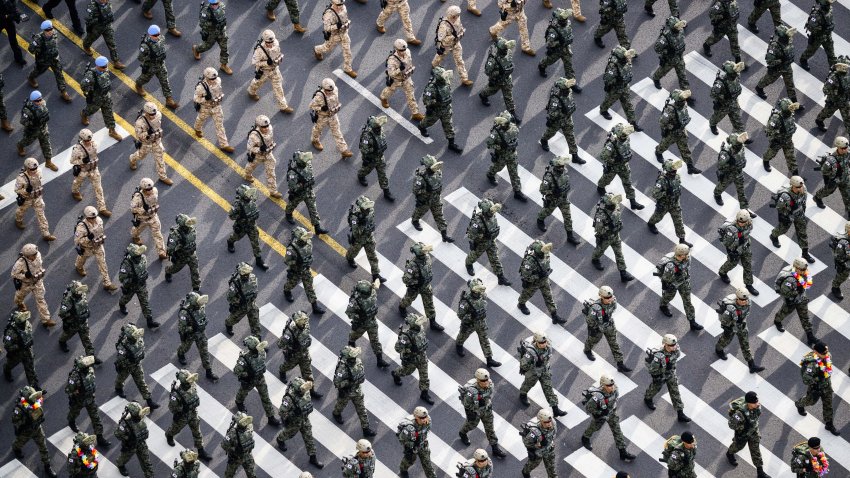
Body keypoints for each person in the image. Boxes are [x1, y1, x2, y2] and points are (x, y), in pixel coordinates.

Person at [581, 374, 635, 461]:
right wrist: (600, 413)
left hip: (612, 413)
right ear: (603, 385)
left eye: (612, 384)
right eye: (609, 385)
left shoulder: (615, 389)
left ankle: (623, 452)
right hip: (601, 416)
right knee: (595, 427)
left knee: (617, 431)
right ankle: (585, 437)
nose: (612, 387)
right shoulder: (597, 396)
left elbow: (615, 398)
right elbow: (589, 408)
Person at [275, 378, 325, 468]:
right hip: (294, 421)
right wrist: (291, 415)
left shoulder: (305, 392)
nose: (304, 392)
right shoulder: (289, 398)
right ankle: (280, 439)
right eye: (302, 390)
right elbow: (281, 412)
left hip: (305, 419)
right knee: (289, 433)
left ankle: (313, 457)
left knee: (309, 437)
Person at [458, 368, 507, 458]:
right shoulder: (471, 390)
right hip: (475, 412)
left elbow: (489, 395)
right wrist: (473, 409)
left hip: (487, 410)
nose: (485, 382)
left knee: (490, 428)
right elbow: (466, 404)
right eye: (482, 381)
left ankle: (495, 448)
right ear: (477, 380)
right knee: (471, 425)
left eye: (486, 380)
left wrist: (484, 402)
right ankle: (462, 433)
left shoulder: (490, 384)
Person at [165, 369, 213, 460]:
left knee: (197, 431)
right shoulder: (176, 395)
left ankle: (201, 450)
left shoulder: (192, 385)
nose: (191, 381)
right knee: (176, 429)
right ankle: (169, 435)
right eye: (188, 380)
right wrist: (181, 409)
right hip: (182, 416)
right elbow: (171, 408)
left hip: (193, 412)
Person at [518, 332, 569, 416]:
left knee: (548, 389)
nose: (544, 344)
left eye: (544, 342)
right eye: (541, 343)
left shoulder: (548, 346)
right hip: (533, 372)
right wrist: (534, 363)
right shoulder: (531, 352)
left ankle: (555, 409)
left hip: (544, 370)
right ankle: (522, 395)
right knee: (528, 385)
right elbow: (523, 364)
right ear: (536, 342)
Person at [715, 287, 765, 372]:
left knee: (745, 344)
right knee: (726, 340)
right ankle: (718, 349)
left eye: (745, 299)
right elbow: (723, 318)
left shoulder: (748, 302)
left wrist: (741, 321)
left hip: (741, 325)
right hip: (730, 326)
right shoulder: (729, 306)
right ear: (737, 298)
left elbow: (746, 313)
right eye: (742, 300)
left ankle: (751, 365)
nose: (744, 301)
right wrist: (726, 327)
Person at [11, 386, 58, 477]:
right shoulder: (19, 409)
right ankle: (16, 448)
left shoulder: (35, 402)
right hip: (26, 431)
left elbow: (39, 402)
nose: (35, 399)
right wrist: (25, 422)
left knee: (43, 446)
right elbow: (14, 421)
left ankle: (47, 466)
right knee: (19, 443)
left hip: (37, 429)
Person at [643, 334, 691, 422]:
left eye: (675, 344)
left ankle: (680, 413)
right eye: (671, 345)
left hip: (671, 373)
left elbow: (677, 355)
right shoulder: (657, 354)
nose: (674, 347)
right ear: (665, 344)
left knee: (675, 391)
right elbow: (651, 368)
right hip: (660, 375)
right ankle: (647, 398)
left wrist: (668, 364)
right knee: (655, 388)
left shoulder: (676, 349)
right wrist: (657, 374)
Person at [583, 286, 631, 372]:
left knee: (614, 343)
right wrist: (594, 329)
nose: (609, 299)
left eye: (611, 297)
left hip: (609, 325)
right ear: (601, 297)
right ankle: (587, 350)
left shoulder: (613, 301)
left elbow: (612, 310)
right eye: (607, 298)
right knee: (593, 340)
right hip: (598, 327)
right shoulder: (595, 308)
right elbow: (589, 320)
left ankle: (620, 364)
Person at [795, 342, 840, 435]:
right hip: (816, 387)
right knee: (811, 401)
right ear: (816, 352)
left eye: (827, 351)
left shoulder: (828, 356)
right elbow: (806, 379)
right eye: (823, 353)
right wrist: (817, 379)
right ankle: (799, 404)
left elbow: (827, 368)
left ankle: (829, 424)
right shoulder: (811, 364)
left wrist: (825, 377)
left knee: (828, 405)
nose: (826, 354)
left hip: (826, 385)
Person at [66, 355, 111, 447]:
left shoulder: (90, 370)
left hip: (90, 398)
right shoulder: (75, 376)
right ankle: (71, 421)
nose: (88, 367)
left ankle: (100, 438)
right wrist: (75, 391)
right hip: (79, 400)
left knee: (96, 417)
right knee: (74, 412)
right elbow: (67, 389)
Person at [656, 244, 704, 331]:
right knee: (668, 296)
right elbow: (665, 278)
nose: (686, 256)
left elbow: (687, 269)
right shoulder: (670, 265)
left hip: (684, 282)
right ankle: (663, 306)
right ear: (680, 255)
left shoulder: (687, 258)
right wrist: (667, 285)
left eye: (687, 254)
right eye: (685, 254)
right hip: (673, 284)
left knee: (688, 302)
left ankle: (692, 322)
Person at [235, 336, 281, 425]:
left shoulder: (261, 353)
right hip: (249, 380)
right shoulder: (244, 359)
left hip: (260, 378)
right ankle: (239, 402)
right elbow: (236, 371)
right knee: (243, 393)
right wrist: (246, 375)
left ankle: (271, 417)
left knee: (266, 397)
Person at [455, 278, 501, 367]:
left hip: (480, 322)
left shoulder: (482, 295)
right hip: (469, 324)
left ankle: (489, 359)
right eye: (479, 289)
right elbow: (460, 315)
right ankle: (458, 345)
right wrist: (470, 316)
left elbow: (483, 301)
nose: (481, 291)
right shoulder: (465, 302)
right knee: (462, 336)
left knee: (484, 339)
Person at [333, 346, 377, 437]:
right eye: (352, 357)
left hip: (357, 390)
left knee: (362, 409)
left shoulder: (358, 362)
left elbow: (361, 374)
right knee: (340, 406)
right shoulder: (342, 368)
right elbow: (337, 383)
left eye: (355, 357)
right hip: (346, 392)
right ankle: (336, 414)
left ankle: (366, 429)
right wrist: (348, 382)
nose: (354, 358)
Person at [466, 198, 512, 283]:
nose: (492, 213)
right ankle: (468, 264)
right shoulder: (478, 221)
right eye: (490, 212)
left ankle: (500, 277)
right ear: (485, 211)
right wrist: (474, 242)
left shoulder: (491, 215)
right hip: (481, 243)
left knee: (495, 259)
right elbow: (471, 234)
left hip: (491, 241)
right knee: (474, 255)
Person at [597, 125, 643, 210]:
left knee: (628, 183)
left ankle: (633, 202)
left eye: (625, 135)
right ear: (618, 135)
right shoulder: (611, 145)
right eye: (622, 136)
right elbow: (603, 156)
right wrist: (614, 160)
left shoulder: (627, 139)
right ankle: (600, 187)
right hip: (613, 167)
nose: (625, 137)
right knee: (606, 180)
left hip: (624, 166)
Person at [399, 242, 443, 331]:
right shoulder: (412, 265)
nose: (425, 253)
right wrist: (416, 282)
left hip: (426, 286)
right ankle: (401, 308)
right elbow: (405, 280)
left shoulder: (427, 257)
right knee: (408, 300)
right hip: (415, 287)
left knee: (429, 303)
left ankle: (432, 322)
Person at [277, 311, 322, 398]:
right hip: (294, 355)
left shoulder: (306, 325)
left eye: (305, 319)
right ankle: (282, 371)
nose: (305, 322)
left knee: (308, 374)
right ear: (297, 321)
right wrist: (287, 344)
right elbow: (280, 344)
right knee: (287, 366)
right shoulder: (289, 332)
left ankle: (311, 391)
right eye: (302, 320)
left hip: (304, 354)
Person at [419, 67, 464, 153]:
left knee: (449, 125)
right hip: (436, 110)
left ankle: (451, 144)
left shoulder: (446, 82)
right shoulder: (431, 88)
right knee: (428, 122)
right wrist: (431, 105)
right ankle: (422, 127)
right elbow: (426, 99)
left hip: (446, 108)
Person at [648, 159, 693, 247]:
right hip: (664, 205)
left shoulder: (677, 177)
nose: (674, 172)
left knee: (679, 222)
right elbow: (654, 194)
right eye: (672, 170)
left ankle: (682, 239)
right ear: (668, 171)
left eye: (675, 170)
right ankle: (651, 224)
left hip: (675, 204)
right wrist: (665, 193)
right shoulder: (662, 181)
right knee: (657, 217)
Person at [725, 391, 770, 478]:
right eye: (755, 402)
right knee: (738, 447)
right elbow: (731, 424)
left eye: (757, 401)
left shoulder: (757, 407)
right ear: (749, 403)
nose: (758, 403)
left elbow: (756, 417)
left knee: (756, 451)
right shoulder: (740, 414)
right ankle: (729, 453)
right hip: (743, 434)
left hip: (754, 432)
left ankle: (760, 472)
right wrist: (742, 427)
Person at [537, 155, 581, 242]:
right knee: (546, 212)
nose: (562, 168)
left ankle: (570, 236)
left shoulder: (564, 171)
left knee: (567, 217)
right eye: (560, 167)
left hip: (563, 199)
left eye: (562, 166)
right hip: (553, 200)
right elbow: (542, 190)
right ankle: (540, 220)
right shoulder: (548, 177)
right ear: (556, 167)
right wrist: (552, 192)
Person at [114, 324, 159, 408]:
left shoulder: (139, 339)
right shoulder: (123, 346)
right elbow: (120, 359)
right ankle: (118, 388)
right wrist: (121, 365)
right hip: (126, 367)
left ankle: (149, 400)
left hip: (136, 365)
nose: (137, 336)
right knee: (120, 378)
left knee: (141, 382)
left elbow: (142, 350)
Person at [392, 313, 434, 405]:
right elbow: (397, 348)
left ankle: (424, 393)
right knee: (406, 372)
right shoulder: (405, 336)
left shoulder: (421, 329)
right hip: (411, 360)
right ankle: (396, 373)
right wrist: (408, 349)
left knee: (424, 377)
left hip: (422, 357)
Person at [347, 279, 390, 368]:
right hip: (360, 324)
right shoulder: (355, 301)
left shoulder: (372, 292)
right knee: (352, 338)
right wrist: (358, 318)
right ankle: (352, 357)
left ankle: (379, 360)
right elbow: (349, 313)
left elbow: (373, 288)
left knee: (375, 341)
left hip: (371, 321)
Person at [176, 292, 219, 381]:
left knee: (204, 351)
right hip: (190, 334)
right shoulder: (184, 312)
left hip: (200, 332)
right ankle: (180, 353)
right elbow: (182, 328)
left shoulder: (201, 306)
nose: (200, 305)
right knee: (185, 347)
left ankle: (208, 371)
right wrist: (191, 328)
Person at [774, 257, 817, 345]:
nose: (805, 271)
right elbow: (785, 292)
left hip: (800, 296)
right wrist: (795, 294)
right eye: (802, 269)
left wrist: (802, 290)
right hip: (791, 298)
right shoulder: (789, 279)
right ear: (796, 268)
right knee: (785, 312)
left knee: (804, 316)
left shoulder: (803, 272)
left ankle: (810, 336)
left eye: (805, 269)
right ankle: (777, 321)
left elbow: (806, 283)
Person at [248, 30, 293, 113]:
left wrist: (278, 59)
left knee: (278, 88)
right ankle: (251, 92)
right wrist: (266, 63)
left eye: (272, 41)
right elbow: (254, 62)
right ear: (265, 41)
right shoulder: (259, 50)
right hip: (263, 71)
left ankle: (283, 106)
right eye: (269, 42)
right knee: (257, 83)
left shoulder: (276, 43)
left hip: (274, 69)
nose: (271, 43)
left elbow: (277, 52)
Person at [769, 177, 813, 262]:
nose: (800, 188)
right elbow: (780, 207)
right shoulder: (785, 196)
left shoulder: (804, 189)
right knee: (783, 230)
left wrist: (802, 212)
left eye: (801, 186)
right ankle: (773, 236)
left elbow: (804, 202)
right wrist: (784, 217)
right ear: (792, 186)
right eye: (798, 187)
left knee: (802, 233)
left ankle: (805, 253)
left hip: (799, 214)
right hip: (788, 215)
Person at [283, 226, 326, 314]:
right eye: (304, 237)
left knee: (309, 287)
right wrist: (296, 262)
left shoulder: (309, 242)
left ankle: (315, 306)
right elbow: (287, 261)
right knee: (291, 284)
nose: (306, 239)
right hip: (296, 271)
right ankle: (286, 291)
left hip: (306, 269)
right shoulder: (291, 249)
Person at [539, 79, 583, 164]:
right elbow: (552, 113)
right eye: (566, 89)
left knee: (570, 136)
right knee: (550, 133)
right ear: (562, 89)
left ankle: (575, 155)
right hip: (557, 121)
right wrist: (561, 113)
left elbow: (570, 101)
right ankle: (544, 140)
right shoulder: (555, 99)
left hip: (567, 119)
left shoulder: (569, 92)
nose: (568, 90)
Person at [755, 25, 800, 108]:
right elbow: (769, 61)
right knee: (768, 80)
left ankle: (794, 102)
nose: (788, 37)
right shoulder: (774, 46)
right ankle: (759, 88)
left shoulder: (788, 40)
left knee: (790, 84)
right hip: (777, 68)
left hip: (787, 67)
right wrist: (780, 61)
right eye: (786, 36)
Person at [411, 155, 454, 243]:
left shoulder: (438, 172)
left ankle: (444, 235)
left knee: (439, 216)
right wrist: (425, 190)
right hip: (425, 201)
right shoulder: (420, 178)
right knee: (419, 212)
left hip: (436, 199)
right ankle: (415, 221)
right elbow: (415, 190)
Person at [135, 25, 178, 110]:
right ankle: (138, 85)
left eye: (158, 34)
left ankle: (169, 99)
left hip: (161, 64)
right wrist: (148, 58)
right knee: (145, 79)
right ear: (150, 35)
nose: (157, 36)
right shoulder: (145, 46)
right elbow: (140, 58)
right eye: (155, 35)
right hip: (151, 66)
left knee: (164, 80)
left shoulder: (161, 38)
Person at [118, 242, 161, 328]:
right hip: (131, 286)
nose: (139, 257)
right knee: (126, 298)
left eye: (140, 255)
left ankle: (149, 321)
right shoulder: (126, 264)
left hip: (141, 285)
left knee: (145, 302)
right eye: (137, 256)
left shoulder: (143, 258)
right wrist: (130, 280)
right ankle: (121, 304)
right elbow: (121, 278)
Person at [655, 90, 699, 174]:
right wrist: (668, 128)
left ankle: (690, 166)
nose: (684, 101)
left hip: (681, 131)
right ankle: (658, 152)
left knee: (685, 149)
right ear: (678, 100)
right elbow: (662, 122)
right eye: (682, 100)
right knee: (664, 145)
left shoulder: (684, 104)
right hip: (672, 133)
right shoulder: (670, 109)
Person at [27, 20, 72, 102]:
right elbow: (31, 49)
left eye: (51, 29)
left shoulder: (55, 33)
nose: (50, 31)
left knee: (59, 74)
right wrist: (37, 48)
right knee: (38, 71)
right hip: (44, 61)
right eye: (47, 30)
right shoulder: (38, 39)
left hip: (54, 59)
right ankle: (31, 78)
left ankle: (63, 91)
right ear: (43, 30)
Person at [74, 206, 117, 290]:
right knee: (82, 259)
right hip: (87, 248)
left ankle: (107, 283)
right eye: (91, 218)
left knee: (102, 263)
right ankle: (78, 267)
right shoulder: (81, 227)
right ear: (87, 217)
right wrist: (88, 238)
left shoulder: (99, 220)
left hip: (98, 246)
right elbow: (77, 241)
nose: (94, 219)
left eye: (94, 217)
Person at [71, 129, 113, 216]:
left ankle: (102, 208)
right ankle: (75, 191)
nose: (88, 142)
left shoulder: (94, 144)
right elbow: (72, 161)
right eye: (86, 140)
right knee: (77, 182)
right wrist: (82, 161)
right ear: (82, 139)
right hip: (83, 170)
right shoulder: (77, 149)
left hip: (94, 169)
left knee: (98, 188)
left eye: (89, 140)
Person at [80, 56, 123, 141]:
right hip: (96, 99)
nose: (106, 68)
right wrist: (89, 92)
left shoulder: (105, 70)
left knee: (109, 113)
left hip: (106, 96)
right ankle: (84, 114)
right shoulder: (91, 75)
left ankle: (112, 130)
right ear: (98, 66)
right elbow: (83, 85)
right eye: (103, 67)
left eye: (106, 66)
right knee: (91, 110)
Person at [380, 39, 424, 121]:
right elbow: (391, 73)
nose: (403, 51)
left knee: (411, 94)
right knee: (390, 90)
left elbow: (409, 62)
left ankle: (415, 113)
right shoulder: (392, 60)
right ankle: (383, 98)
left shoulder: (407, 51)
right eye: (401, 50)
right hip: (396, 79)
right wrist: (399, 69)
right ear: (396, 49)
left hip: (406, 78)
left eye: (404, 49)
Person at [11, 243, 54, 327]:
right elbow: (14, 274)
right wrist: (24, 276)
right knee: (19, 297)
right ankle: (19, 303)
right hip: (26, 284)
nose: (35, 256)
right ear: (27, 256)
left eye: (35, 254)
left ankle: (46, 319)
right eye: (33, 255)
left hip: (37, 281)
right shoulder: (20, 263)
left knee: (41, 299)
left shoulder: (38, 255)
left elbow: (39, 264)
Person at [717, 210, 759, 295]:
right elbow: (725, 242)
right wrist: (730, 252)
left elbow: (747, 234)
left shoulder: (749, 224)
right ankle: (722, 272)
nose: (741, 223)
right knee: (732, 263)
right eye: (739, 221)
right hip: (734, 250)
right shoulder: (731, 229)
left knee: (748, 265)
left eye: (743, 222)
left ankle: (748, 284)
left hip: (745, 247)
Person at [518, 240, 561, 322]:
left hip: (544, 280)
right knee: (526, 294)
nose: (545, 255)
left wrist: (546, 272)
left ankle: (554, 315)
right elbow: (526, 276)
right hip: (533, 282)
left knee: (549, 296)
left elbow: (546, 262)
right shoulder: (529, 261)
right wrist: (538, 276)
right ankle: (521, 304)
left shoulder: (545, 253)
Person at [227, 185, 268, 270]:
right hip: (242, 226)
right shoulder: (238, 205)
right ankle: (230, 242)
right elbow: (231, 216)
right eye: (247, 195)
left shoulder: (251, 200)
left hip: (252, 225)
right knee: (236, 237)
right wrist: (239, 215)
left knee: (255, 243)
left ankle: (258, 260)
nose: (250, 196)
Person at [193, 67, 234, 153]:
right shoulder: (201, 87)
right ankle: (197, 129)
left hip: (216, 106)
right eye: (211, 79)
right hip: (205, 108)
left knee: (220, 125)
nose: (214, 80)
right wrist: (205, 99)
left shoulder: (218, 80)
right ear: (206, 78)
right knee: (201, 119)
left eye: (214, 78)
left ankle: (224, 145)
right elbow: (196, 99)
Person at [309, 78, 353, 158]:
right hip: (322, 117)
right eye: (328, 91)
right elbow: (311, 106)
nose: (330, 92)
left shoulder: (335, 89)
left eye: (331, 90)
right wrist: (321, 108)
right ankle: (315, 140)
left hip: (332, 115)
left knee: (337, 131)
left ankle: (344, 150)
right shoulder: (319, 96)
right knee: (318, 129)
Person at [479, 39, 520, 123]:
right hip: (497, 80)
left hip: (506, 79)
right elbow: (487, 72)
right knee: (490, 91)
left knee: (508, 96)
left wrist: (509, 68)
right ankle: (483, 95)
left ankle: (512, 112)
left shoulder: (508, 52)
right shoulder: (493, 59)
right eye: (503, 50)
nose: (505, 51)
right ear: (499, 49)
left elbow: (510, 62)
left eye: (506, 49)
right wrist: (498, 72)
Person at [486, 111, 524, 201]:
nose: (507, 125)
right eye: (505, 123)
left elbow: (515, 139)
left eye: (508, 122)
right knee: (498, 168)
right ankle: (490, 174)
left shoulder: (514, 128)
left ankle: (517, 192)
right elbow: (488, 144)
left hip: (512, 154)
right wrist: (498, 146)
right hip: (502, 156)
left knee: (514, 174)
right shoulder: (496, 133)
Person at [285, 151, 327, 233]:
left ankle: (317, 227)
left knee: (313, 207)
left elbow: (310, 172)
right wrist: (304, 184)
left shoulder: (307, 163)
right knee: (292, 205)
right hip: (298, 194)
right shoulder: (292, 173)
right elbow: (292, 187)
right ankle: (288, 214)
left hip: (308, 191)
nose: (306, 163)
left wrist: (310, 181)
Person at [15, 158, 56, 240]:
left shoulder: (39, 171)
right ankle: (18, 220)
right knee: (21, 211)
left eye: (35, 168)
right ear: (27, 168)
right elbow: (17, 190)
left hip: (37, 198)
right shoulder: (21, 178)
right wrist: (26, 191)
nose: (34, 170)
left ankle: (46, 234)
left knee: (41, 215)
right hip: (27, 199)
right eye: (32, 169)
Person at [345, 195, 385, 281]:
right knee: (353, 253)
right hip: (359, 240)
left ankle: (376, 275)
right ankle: (349, 258)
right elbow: (356, 233)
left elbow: (371, 220)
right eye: (366, 208)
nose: (368, 210)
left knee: (373, 256)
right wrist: (362, 224)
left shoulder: (371, 211)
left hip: (368, 237)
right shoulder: (355, 217)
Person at [130, 102, 171, 184]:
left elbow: (158, 125)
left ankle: (163, 177)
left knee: (160, 159)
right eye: (151, 114)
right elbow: (139, 136)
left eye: (154, 113)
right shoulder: (140, 123)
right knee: (140, 156)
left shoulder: (158, 115)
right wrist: (147, 133)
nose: (153, 115)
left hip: (156, 141)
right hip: (146, 144)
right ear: (146, 113)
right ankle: (132, 159)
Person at [314, 0, 357, 78]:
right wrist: (336, 26)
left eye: (341, 3)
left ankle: (348, 68)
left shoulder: (343, 7)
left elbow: (345, 18)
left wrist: (347, 24)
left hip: (343, 33)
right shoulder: (328, 14)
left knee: (347, 51)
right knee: (327, 48)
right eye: (339, 4)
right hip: (334, 35)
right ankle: (317, 50)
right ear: (333, 3)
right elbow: (326, 28)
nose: (341, 5)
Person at [599, 46, 639, 129]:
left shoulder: (626, 60)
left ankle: (633, 122)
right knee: (609, 101)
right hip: (615, 88)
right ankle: (603, 110)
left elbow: (628, 67)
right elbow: (607, 78)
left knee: (628, 104)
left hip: (624, 86)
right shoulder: (613, 65)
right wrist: (615, 83)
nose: (628, 59)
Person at [58, 281, 100, 358]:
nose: (81, 292)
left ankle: (91, 356)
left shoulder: (82, 293)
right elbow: (61, 313)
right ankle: (62, 342)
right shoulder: (68, 300)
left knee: (87, 339)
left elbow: (83, 303)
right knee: (66, 335)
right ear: (74, 291)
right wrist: (72, 317)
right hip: (73, 324)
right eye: (79, 290)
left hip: (83, 322)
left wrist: (86, 311)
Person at [16, 92, 57, 172]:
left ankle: (48, 162)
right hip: (32, 131)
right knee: (26, 142)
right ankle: (20, 145)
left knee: (47, 145)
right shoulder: (27, 110)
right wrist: (33, 123)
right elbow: (23, 122)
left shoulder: (43, 103)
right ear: (32, 101)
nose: (39, 102)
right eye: (37, 101)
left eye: (40, 99)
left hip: (43, 129)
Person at [244, 115, 282, 199]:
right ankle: (247, 175)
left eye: (267, 126)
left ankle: (273, 191)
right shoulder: (254, 136)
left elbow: (270, 139)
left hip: (268, 154)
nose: (266, 128)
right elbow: (250, 148)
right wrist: (259, 149)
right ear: (258, 126)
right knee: (251, 166)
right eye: (263, 127)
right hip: (258, 156)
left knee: (271, 172)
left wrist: (271, 145)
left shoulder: (270, 128)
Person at [432, 6, 472, 86]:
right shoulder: (444, 26)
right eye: (457, 15)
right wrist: (454, 36)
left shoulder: (457, 18)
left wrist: (461, 32)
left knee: (459, 60)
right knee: (440, 57)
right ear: (452, 15)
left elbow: (459, 27)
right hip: (446, 46)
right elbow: (441, 39)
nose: (458, 16)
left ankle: (464, 78)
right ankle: (434, 64)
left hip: (456, 43)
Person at [357, 115, 394, 200]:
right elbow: (364, 149)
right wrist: (372, 152)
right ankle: (361, 176)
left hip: (380, 157)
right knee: (366, 170)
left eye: (379, 127)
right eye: (377, 128)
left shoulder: (380, 130)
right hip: (371, 159)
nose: (379, 129)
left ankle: (386, 191)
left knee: (383, 174)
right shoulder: (367, 136)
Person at [130, 177, 167, 260]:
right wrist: (144, 210)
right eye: (147, 189)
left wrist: (154, 208)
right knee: (136, 231)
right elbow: (133, 209)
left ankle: (161, 252)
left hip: (153, 216)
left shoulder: (155, 190)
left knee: (157, 233)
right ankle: (135, 237)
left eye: (151, 188)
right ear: (143, 189)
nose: (150, 191)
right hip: (142, 219)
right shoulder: (137, 198)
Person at [651, 17, 690, 94]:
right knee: (662, 71)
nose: (679, 28)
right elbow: (657, 49)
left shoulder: (681, 30)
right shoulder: (665, 37)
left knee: (683, 76)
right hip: (669, 60)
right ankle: (656, 78)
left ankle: (685, 93)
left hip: (679, 57)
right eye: (677, 26)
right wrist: (667, 51)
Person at [114, 401, 153, 477]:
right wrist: (127, 438)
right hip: (130, 445)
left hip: (141, 443)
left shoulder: (140, 419)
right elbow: (117, 434)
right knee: (125, 457)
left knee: (147, 463)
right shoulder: (125, 424)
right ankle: (120, 465)